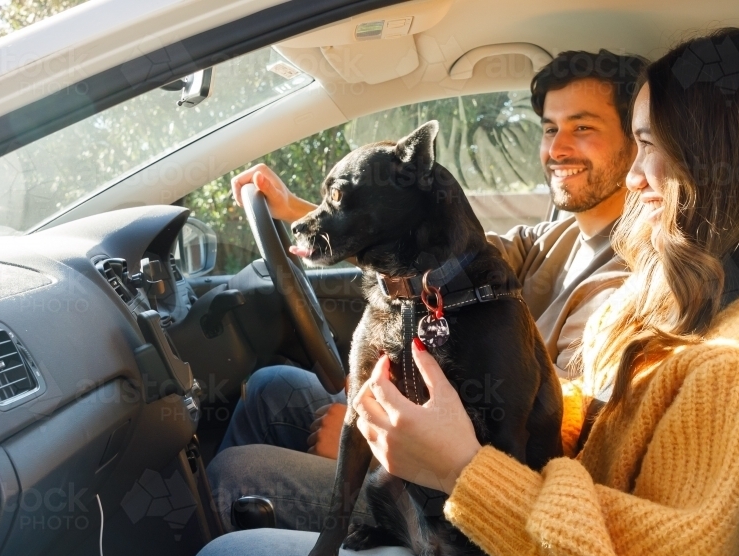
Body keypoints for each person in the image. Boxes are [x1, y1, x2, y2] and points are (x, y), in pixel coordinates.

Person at [116, 28, 739, 556]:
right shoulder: (681, 279)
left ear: (719, 155)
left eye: (645, 143)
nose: (637, 175)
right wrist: (325, 221)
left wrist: (464, 466)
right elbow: (458, 263)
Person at [208, 50, 645, 530]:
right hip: (422, 427)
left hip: (469, 497)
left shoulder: (632, 278)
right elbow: (426, 242)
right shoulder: (553, 237)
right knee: (273, 386)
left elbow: (565, 428)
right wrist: (301, 210)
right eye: (549, 128)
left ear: (638, 138)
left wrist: (385, 444)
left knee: (237, 474)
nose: (558, 148)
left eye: (582, 128)